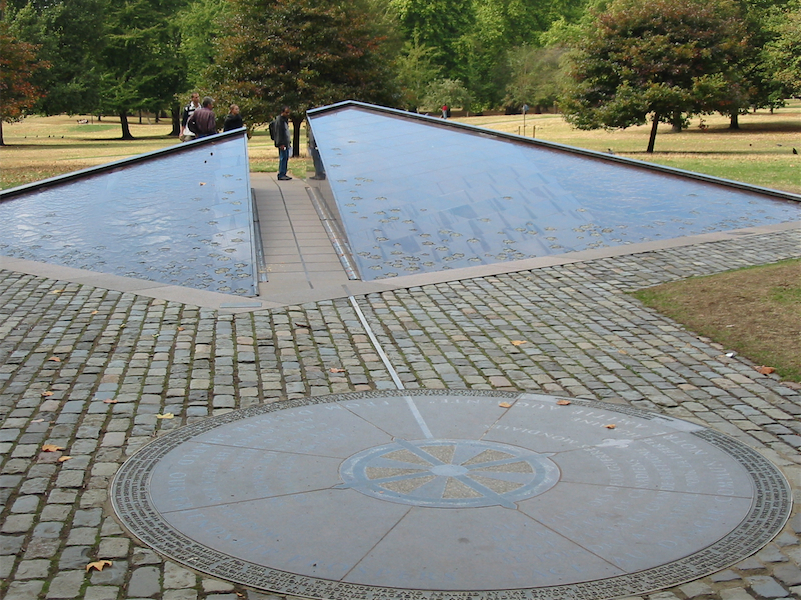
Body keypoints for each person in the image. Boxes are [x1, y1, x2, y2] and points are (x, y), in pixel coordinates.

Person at [274, 106, 292, 181]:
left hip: (285, 142)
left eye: (288, 112)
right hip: (282, 143)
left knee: (285, 157)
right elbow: (279, 133)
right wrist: (281, 143)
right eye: (286, 112)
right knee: (283, 157)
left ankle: (283, 173)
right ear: (282, 112)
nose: (287, 114)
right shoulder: (280, 121)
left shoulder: (284, 120)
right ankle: (281, 174)